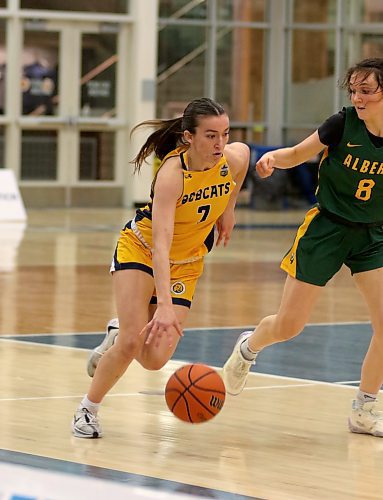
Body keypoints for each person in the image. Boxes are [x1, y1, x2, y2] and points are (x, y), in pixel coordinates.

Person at [223, 57, 383, 437]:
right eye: (354, 90)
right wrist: (274, 159)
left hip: (372, 234)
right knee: (290, 325)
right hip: (326, 228)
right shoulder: (342, 123)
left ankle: (364, 408)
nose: (358, 98)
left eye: (367, 90)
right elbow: (298, 153)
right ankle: (249, 347)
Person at [72, 97, 249, 438]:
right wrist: (164, 305)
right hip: (142, 248)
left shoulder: (231, 157)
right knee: (130, 342)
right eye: (211, 136)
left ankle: (117, 331)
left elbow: (242, 166)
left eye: (224, 134)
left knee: (153, 359)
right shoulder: (172, 175)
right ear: (188, 137)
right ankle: (87, 409)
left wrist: (229, 208)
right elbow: (160, 245)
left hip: (187, 262)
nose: (220, 143)